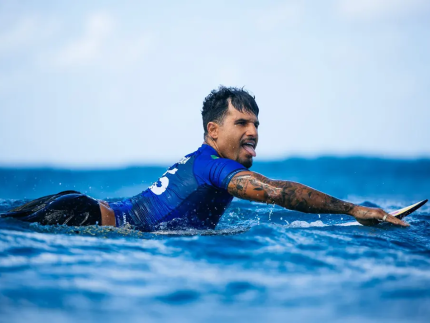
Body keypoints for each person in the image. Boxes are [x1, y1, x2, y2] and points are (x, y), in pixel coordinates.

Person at [1, 86, 408, 230]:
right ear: (214, 131)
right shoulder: (214, 167)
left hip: (81, 207)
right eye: (242, 123)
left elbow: (275, 188)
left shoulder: (206, 162)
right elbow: (276, 193)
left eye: (257, 124)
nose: (253, 132)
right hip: (85, 217)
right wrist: (355, 209)